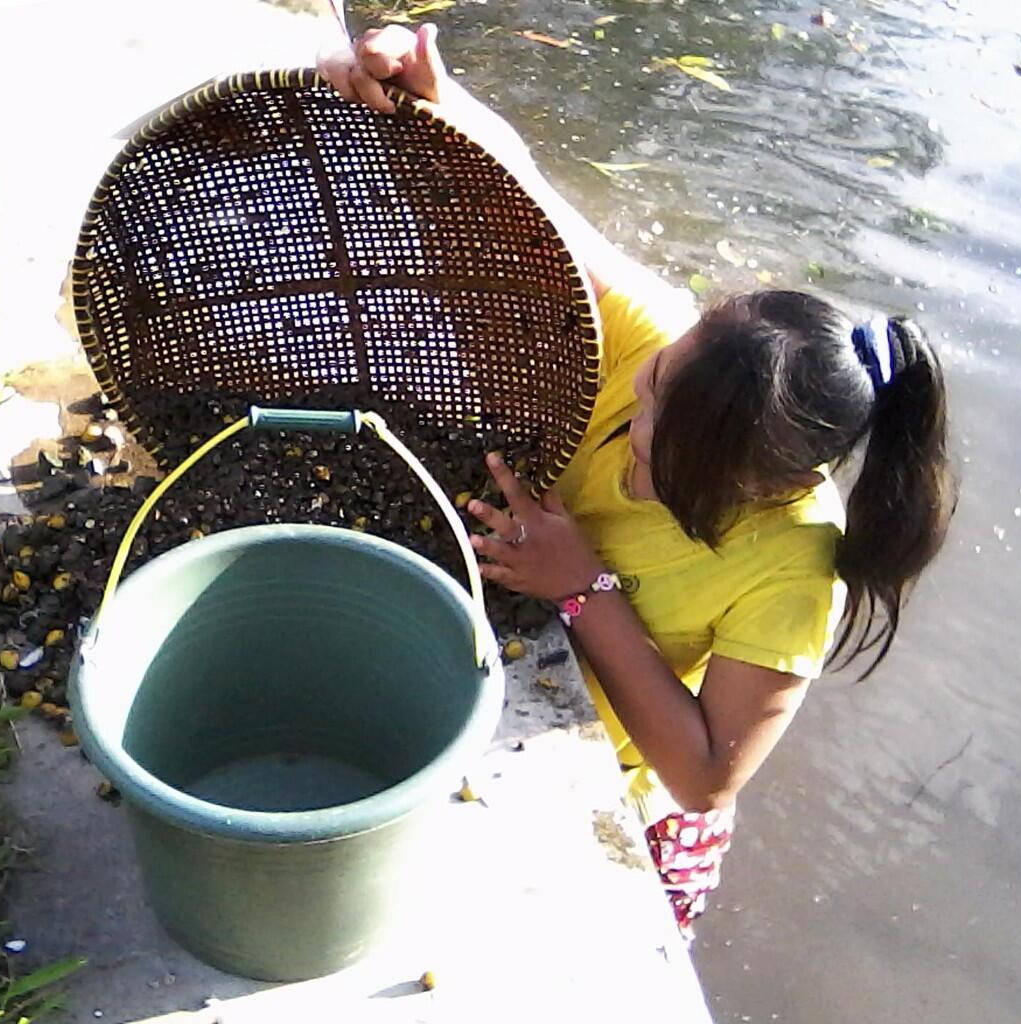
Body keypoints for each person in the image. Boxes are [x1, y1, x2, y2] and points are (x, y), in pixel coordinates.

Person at [319, 25, 956, 937]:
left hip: (624, 766)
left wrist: (580, 588)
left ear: (760, 489)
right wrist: (436, 97)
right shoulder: (656, 338)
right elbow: (528, 200)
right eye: (652, 393)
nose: (633, 431)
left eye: (663, 446)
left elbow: (703, 772)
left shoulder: (791, 567)